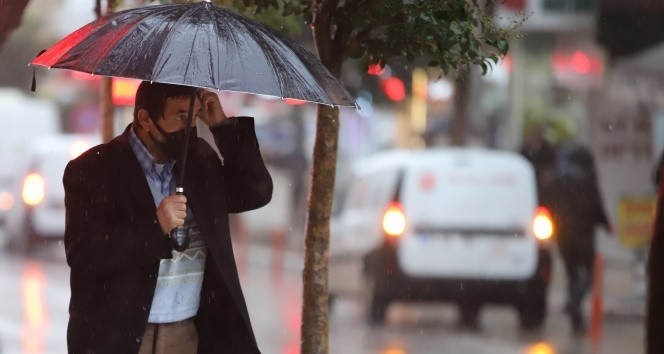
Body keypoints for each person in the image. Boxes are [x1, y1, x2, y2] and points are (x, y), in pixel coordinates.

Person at [63, 81, 272, 353]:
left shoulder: (200, 160)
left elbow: (255, 191)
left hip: (189, 333)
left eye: (194, 117)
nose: (189, 129)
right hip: (119, 335)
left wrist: (221, 125)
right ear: (146, 119)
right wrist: (155, 227)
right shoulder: (93, 170)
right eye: (180, 117)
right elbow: (84, 254)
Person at [541, 145, 610, 335]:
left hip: (564, 236)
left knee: (572, 273)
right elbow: (597, 207)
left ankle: (576, 315)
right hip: (584, 235)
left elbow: (544, 202)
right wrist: (606, 224)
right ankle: (575, 301)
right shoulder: (589, 181)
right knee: (588, 274)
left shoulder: (559, 180)